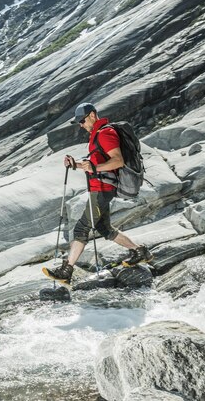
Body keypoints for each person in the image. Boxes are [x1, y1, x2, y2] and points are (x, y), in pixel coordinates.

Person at [43, 102, 153, 284]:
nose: (81, 124)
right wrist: (76, 164)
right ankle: (139, 251)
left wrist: (95, 167)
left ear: (92, 115)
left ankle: (66, 271)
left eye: (82, 120)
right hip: (99, 188)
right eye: (79, 122)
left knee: (81, 228)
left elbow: (118, 161)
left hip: (102, 190)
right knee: (104, 228)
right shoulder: (97, 136)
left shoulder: (105, 134)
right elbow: (95, 165)